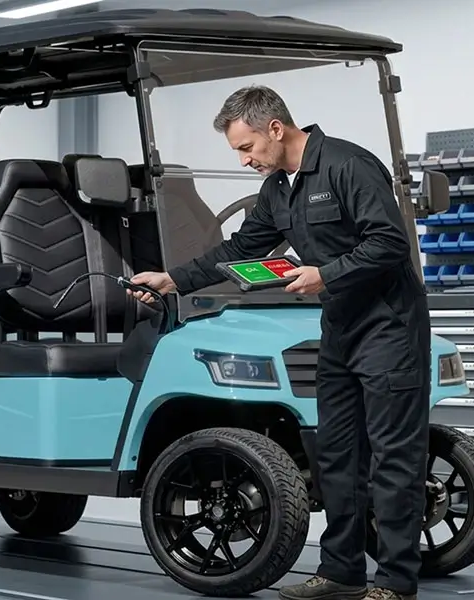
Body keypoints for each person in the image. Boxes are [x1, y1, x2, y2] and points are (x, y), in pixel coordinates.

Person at [129, 86, 429, 600]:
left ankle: (396, 583)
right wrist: (173, 280)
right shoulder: (278, 188)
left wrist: (325, 274)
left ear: (274, 129)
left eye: (246, 148)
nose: (245, 160)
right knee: (336, 455)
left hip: (389, 329)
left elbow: (388, 243)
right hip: (339, 328)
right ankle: (341, 573)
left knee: (392, 457)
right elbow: (241, 248)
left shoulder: (348, 166)